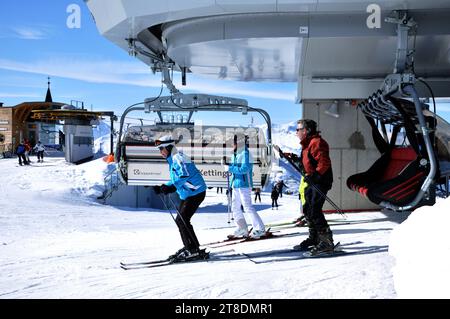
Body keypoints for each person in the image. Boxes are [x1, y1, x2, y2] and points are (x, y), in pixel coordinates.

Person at [152, 135, 208, 261]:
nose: (160, 152)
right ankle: (191, 247)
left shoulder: (178, 157)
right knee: (181, 220)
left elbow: (184, 175)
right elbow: (175, 179)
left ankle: (191, 249)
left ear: (168, 147)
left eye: (161, 149)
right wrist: (162, 187)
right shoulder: (173, 158)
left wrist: (171, 188)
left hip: (196, 192)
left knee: (182, 220)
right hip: (189, 194)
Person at [283, 119, 334, 255]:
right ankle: (315, 238)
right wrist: (294, 158)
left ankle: (326, 241)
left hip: (320, 181)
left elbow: (324, 163)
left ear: (306, 131)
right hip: (312, 181)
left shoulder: (317, 143)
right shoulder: (307, 145)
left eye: (298, 129)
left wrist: (315, 177)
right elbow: (308, 163)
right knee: (307, 210)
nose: (296, 132)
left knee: (315, 210)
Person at [224, 134, 266, 239]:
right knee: (235, 207)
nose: (231, 145)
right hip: (236, 184)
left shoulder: (245, 154)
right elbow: (236, 168)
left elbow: (245, 169)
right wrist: (228, 166)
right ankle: (242, 228)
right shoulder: (236, 154)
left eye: (233, 143)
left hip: (244, 184)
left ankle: (259, 228)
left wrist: (229, 168)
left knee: (247, 206)